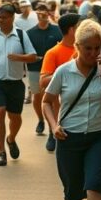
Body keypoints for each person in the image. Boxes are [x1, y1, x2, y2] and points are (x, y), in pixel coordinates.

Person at [42, 21, 101, 200]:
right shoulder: (64, 72)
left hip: (99, 136)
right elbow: (46, 102)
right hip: (69, 138)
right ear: (77, 47)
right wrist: (53, 127)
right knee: (72, 192)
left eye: (97, 48)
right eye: (88, 48)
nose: (93, 53)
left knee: (94, 184)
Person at [0, 3, 36, 165]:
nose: (0, 20)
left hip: (16, 82)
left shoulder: (21, 35)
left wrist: (19, 58)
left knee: (15, 117)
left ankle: (11, 139)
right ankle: (1, 152)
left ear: (11, 18)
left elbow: (33, 56)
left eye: (4, 18)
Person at [41, 13, 82, 152]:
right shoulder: (53, 53)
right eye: (81, 26)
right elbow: (43, 81)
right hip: (63, 114)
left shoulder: (86, 50)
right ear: (72, 30)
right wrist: (64, 73)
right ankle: (52, 132)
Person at [28, 8, 64, 136]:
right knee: (37, 97)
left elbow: (62, 45)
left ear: (48, 14)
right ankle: (40, 120)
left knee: (51, 98)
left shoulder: (56, 30)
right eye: (39, 12)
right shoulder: (30, 32)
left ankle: (52, 127)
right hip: (35, 68)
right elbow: (27, 51)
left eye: (44, 12)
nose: (41, 15)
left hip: (52, 70)